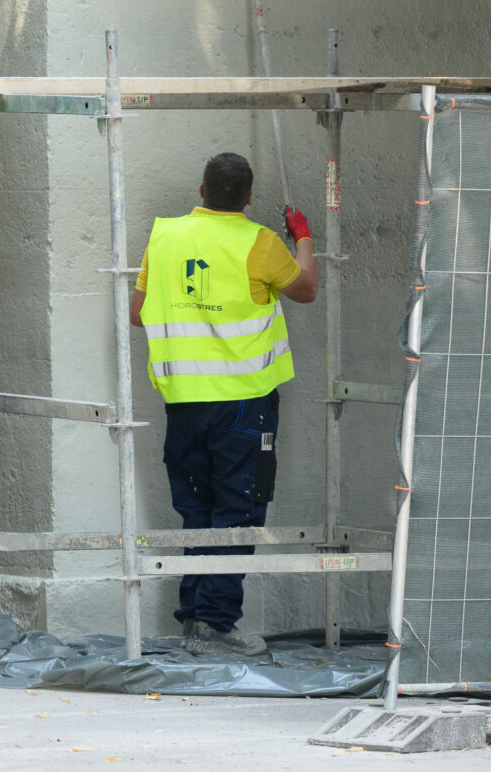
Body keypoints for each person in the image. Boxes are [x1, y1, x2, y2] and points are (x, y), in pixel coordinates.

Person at [131, 151, 318, 656]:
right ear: (250, 197)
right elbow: (307, 289)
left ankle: (194, 619)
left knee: (197, 510)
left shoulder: (164, 237)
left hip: (185, 403)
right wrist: (302, 235)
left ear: (201, 191)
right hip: (242, 405)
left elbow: (137, 313)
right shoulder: (259, 242)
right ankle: (215, 624)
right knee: (237, 513)